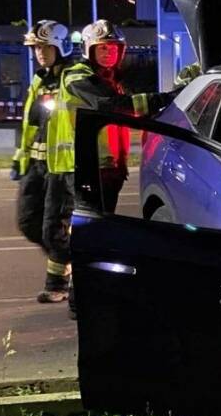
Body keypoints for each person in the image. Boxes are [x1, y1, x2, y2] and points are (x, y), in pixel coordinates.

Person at [59, 20, 175, 216]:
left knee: (103, 222)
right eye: (102, 48)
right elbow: (113, 105)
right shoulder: (76, 76)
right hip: (86, 167)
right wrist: (164, 99)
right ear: (88, 49)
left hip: (111, 167)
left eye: (114, 48)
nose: (109, 52)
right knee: (89, 224)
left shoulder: (111, 80)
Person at [12, 20, 73, 304]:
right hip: (35, 165)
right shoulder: (39, 80)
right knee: (27, 222)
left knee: (53, 229)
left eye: (45, 47)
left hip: (61, 167)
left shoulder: (73, 77)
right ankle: (68, 260)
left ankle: (57, 284)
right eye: (36, 48)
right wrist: (19, 158)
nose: (40, 52)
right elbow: (30, 124)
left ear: (61, 47)